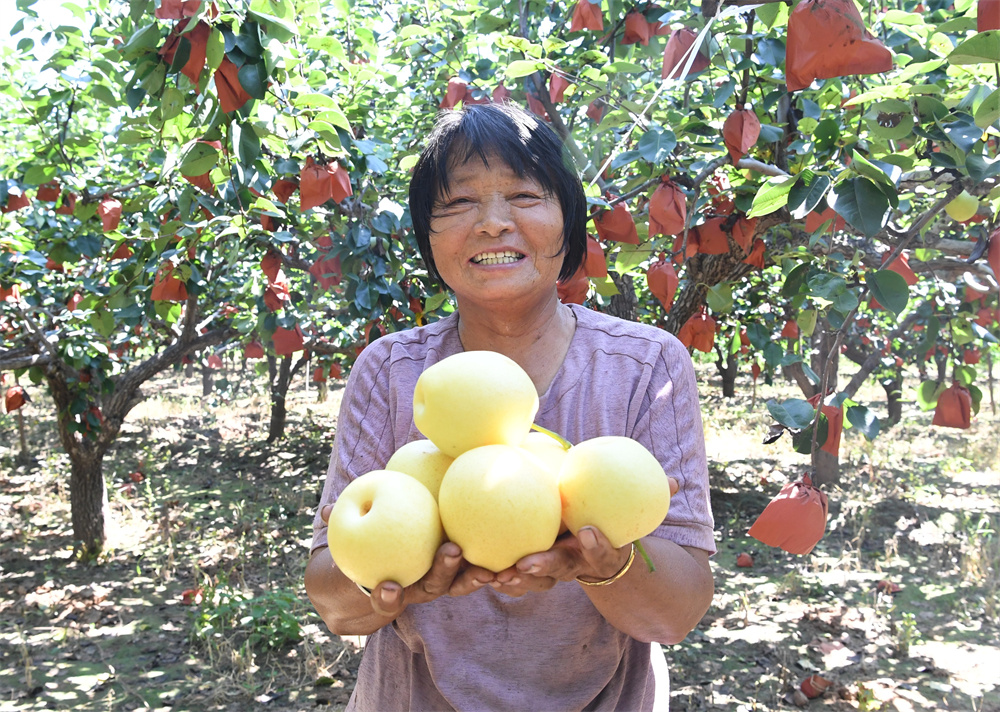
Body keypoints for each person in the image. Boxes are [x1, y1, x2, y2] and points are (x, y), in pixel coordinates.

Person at [305, 102, 715, 711]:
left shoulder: (645, 365)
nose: (492, 222)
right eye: (458, 202)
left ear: (568, 223)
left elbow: (677, 612)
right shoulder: (392, 372)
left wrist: (604, 565)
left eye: (524, 196)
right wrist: (399, 582)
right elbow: (334, 602)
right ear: (429, 238)